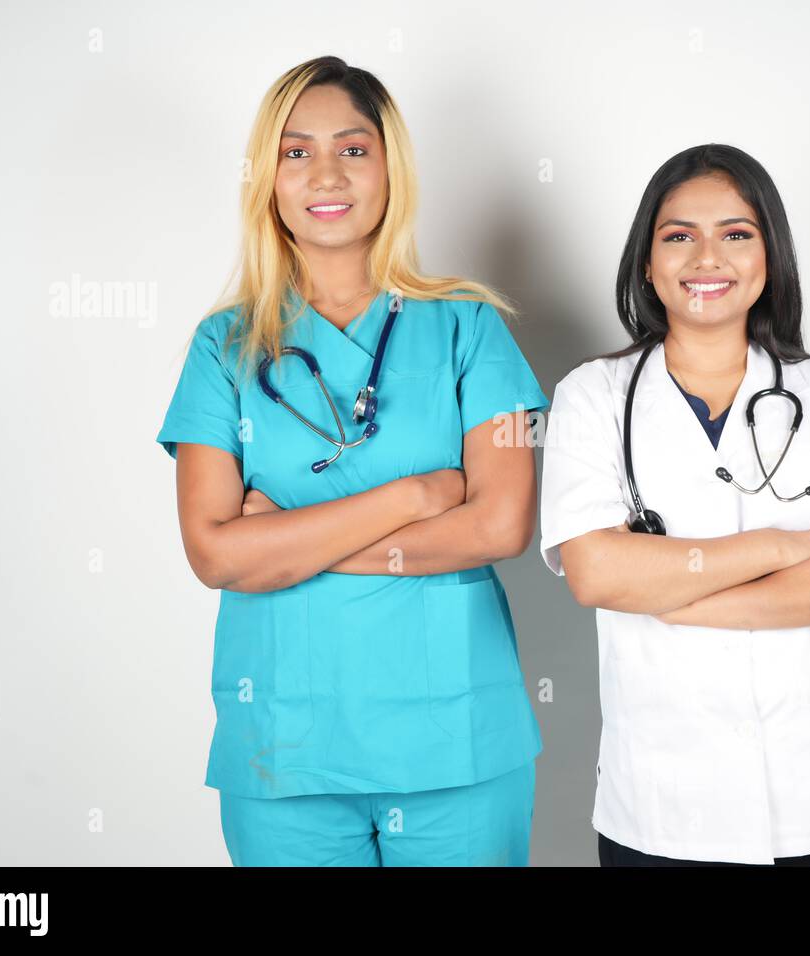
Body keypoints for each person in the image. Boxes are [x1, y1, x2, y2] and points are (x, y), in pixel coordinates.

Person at [155, 55, 548, 866]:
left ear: (390, 167)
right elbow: (215, 553)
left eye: (353, 148)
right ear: (268, 178)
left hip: (456, 746)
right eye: (296, 152)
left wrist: (288, 545)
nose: (325, 173)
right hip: (285, 750)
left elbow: (503, 523)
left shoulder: (469, 327)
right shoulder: (222, 347)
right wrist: (416, 497)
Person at [538, 144, 810, 867]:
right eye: (678, 235)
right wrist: (786, 547)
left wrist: (670, 593)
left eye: (736, 234)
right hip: (663, 802)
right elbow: (595, 575)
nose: (706, 257)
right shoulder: (591, 398)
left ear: (769, 258)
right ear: (646, 264)